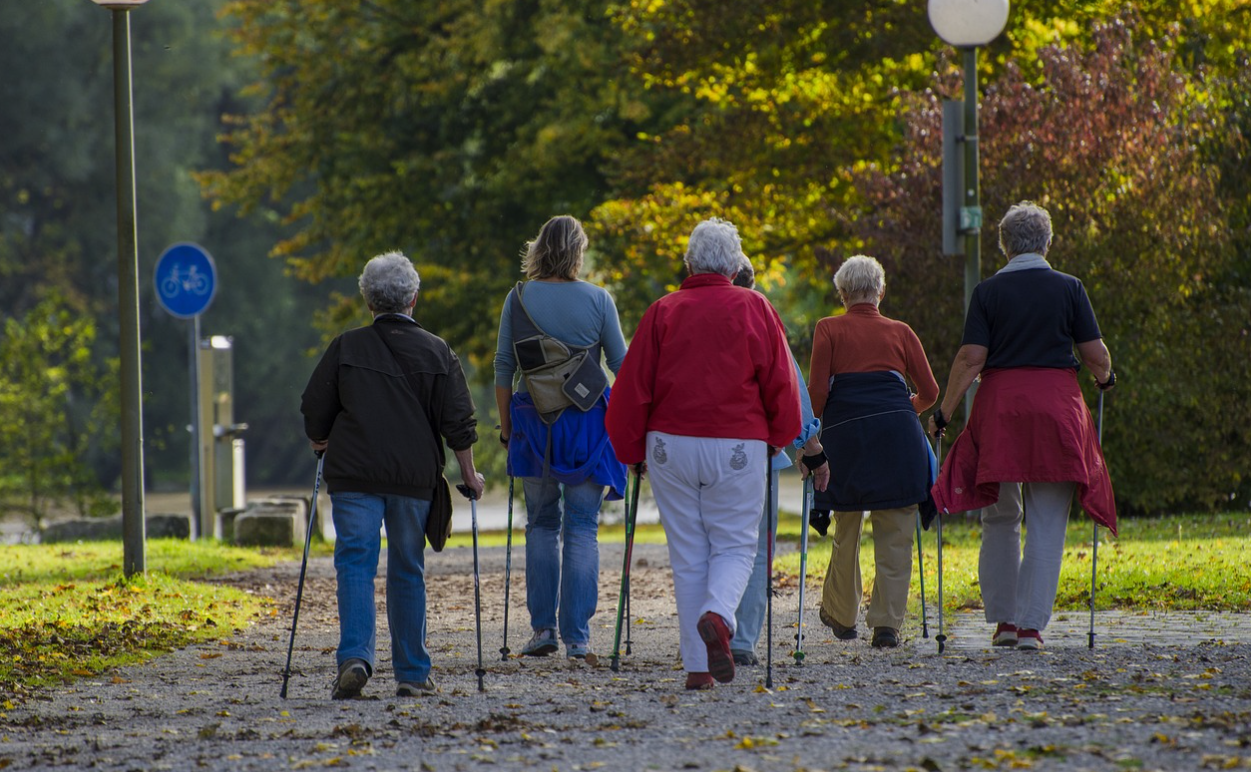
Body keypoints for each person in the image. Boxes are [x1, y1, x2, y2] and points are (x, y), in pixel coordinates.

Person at [606, 218, 801, 690]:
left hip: (670, 443)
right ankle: (719, 615)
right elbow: (781, 383)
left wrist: (631, 449)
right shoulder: (756, 307)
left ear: (689, 262)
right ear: (736, 265)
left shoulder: (662, 311)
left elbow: (632, 388)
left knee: (688, 552)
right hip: (737, 442)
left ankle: (698, 668)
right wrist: (779, 436)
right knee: (735, 544)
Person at [928, 201, 1117, 651]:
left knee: (999, 514)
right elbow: (1095, 355)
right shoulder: (1069, 288)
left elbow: (971, 358)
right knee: (1048, 519)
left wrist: (945, 412)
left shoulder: (987, 292)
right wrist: (1105, 378)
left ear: (1004, 246)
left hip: (1000, 411)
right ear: (1047, 242)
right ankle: (1032, 626)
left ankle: (1004, 622)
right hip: (1057, 409)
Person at [301, 251, 484, 699]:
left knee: (355, 564)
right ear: (413, 300)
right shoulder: (438, 351)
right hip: (412, 479)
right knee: (407, 568)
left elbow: (313, 406)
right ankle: (413, 674)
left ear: (367, 299)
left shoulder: (346, 347)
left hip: (354, 477)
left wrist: (319, 439)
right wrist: (471, 475)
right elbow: (458, 422)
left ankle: (356, 658)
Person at [493, 215, 628, 661]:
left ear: (538, 249)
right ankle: (578, 638)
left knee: (541, 523)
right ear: (578, 252)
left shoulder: (518, 299)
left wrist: (507, 428)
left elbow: (502, 368)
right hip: (588, 424)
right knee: (583, 527)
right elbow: (621, 367)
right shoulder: (599, 299)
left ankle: (542, 629)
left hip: (534, 422)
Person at [808, 255, 939, 649]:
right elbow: (930, 392)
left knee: (847, 526)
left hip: (846, 438)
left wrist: (810, 437)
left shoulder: (827, 328)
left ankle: (842, 614)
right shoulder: (901, 331)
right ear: (880, 292)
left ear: (843, 294)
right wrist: (903, 410)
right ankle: (886, 626)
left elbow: (817, 393)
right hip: (898, 439)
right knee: (897, 530)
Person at [728, 259, 829, 667]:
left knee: (711, 545)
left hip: (696, 449)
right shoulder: (763, 317)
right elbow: (789, 388)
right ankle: (743, 639)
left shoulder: (686, 312)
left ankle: (711, 627)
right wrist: (812, 450)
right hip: (757, 452)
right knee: (755, 547)